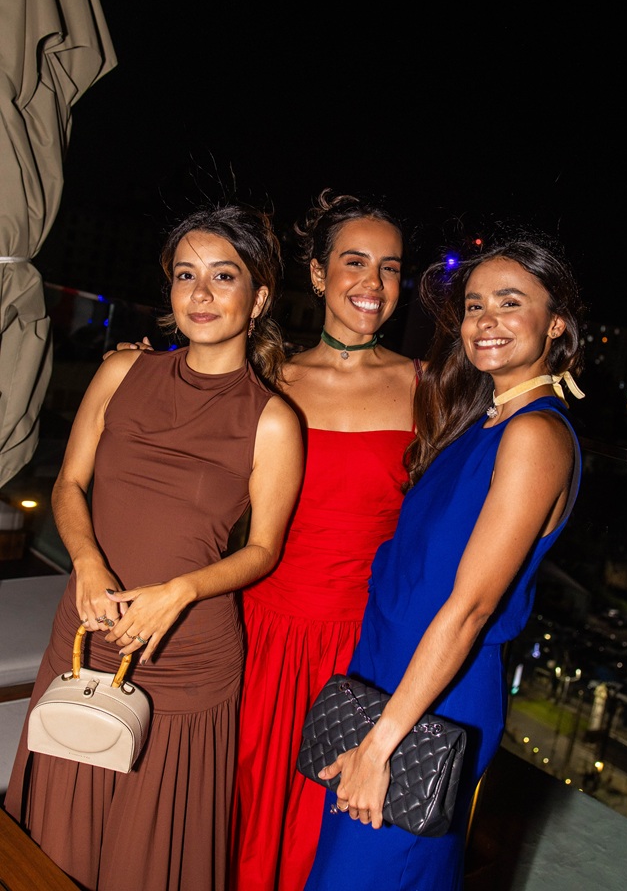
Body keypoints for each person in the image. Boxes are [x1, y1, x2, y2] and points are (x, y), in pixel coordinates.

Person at [3, 202, 304, 891]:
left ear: (257, 298)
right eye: (185, 275)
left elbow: (263, 551)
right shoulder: (120, 374)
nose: (200, 294)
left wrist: (184, 590)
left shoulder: (274, 420)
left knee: (150, 851)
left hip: (188, 660)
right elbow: (69, 485)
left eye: (223, 276)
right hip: (86, 630)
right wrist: (86, 564)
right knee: (55, 839)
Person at [304, 231, 586, 891]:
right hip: (387, 679)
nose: (486, 321)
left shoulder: (536, 435)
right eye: (476, 305)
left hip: (432, 702)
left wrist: (381, 745)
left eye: (510, 303)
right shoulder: (481, 421)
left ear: (556, 325)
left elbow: (471, 608)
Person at [231, 190, 421, 890]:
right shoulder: (265, 377)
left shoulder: (428, 387)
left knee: (325, 833)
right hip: (261, 632)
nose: (373, 284)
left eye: (391, 268)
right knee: (240, 812)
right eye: (354, 262)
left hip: (363, 649)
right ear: (317, 274)